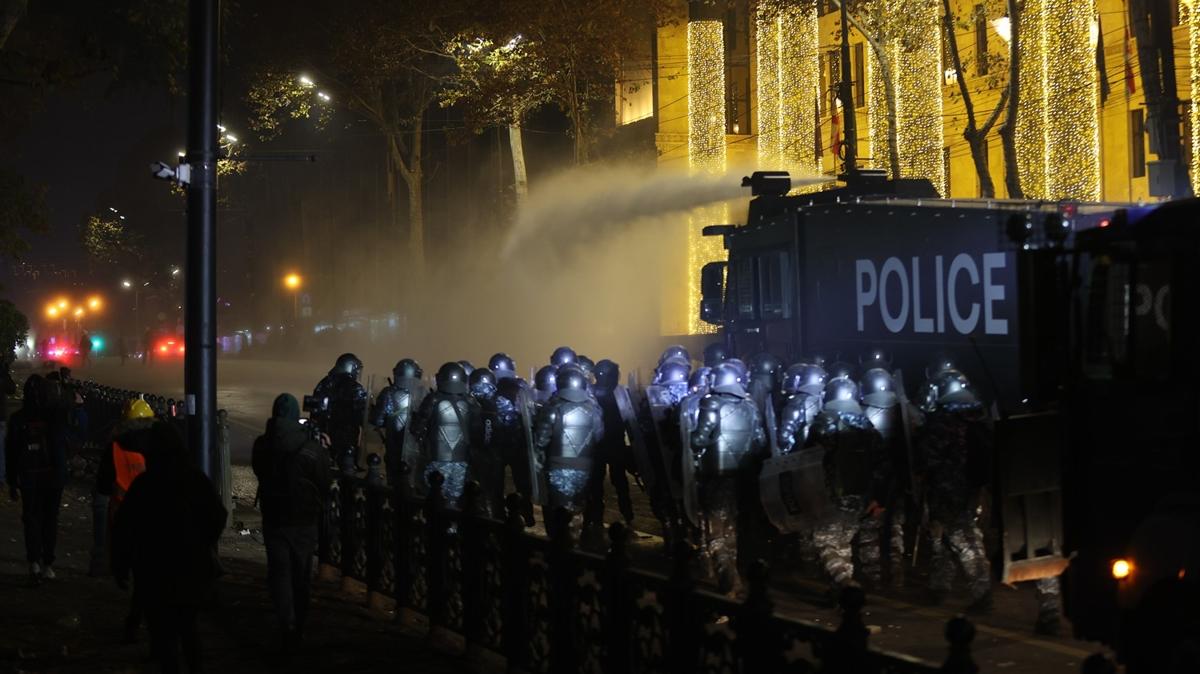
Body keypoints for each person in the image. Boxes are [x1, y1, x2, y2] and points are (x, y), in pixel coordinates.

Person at [113, 421, 226, 674]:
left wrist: (120, 565)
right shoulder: (195, 479)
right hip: (190, 568)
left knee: (164, 635)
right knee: (188, 629)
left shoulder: (145, 484)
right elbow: (217, 515)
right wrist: (202, 542)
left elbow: (124, 528)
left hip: (154, 571)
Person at [252, 393, 331, 652]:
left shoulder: (262, 444)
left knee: (280, 571)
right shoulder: (310, 448)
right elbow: (323, 480)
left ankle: (285, 621)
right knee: (301, 573)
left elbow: (259, 470)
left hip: (274, 516)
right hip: (304, 519)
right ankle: (299, 626)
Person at [914, 369, 993, 613]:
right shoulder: (977, 416)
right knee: (947, 538)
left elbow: (928, 458)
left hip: (947, 488)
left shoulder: (943, 421)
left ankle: (983, 593)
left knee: (964, 539)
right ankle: (939, 586)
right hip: (973, 487)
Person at [806, 376, 890, 594]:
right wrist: (878, 495)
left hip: (830, 493)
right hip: (859, 494)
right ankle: (842, 595)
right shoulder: (865, 423)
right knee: (843, 543)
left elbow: (809, 456)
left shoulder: (825, 421)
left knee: (824, 542)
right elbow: (882, 462)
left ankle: (844, 581)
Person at [689, 363, 766, 595]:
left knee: (716, 536)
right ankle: (734, 576)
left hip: (716, 478)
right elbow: (760, 442)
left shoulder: (711, 404)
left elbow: (699, 439)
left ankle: (730, 582)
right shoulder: (751, 406)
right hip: (743, 479)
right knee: (732, 531)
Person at [6, 375, 68, 582]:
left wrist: (12, 481)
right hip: (52, 476)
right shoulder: (55, 418)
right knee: (50, 519)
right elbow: (62, 447)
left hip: (29, 476)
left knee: (31, 518)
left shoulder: (18, 419)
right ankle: (48, 563)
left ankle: (33, 562)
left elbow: (11, 453)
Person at [532, 365, 604, 538]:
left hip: (557, 467)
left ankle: (559, 548)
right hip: (585, 468)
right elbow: (599, 436)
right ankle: (575, 546)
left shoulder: (552, 409)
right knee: (577, 511)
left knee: (557, 512)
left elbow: (541, 440)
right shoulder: (594, 410)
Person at [411, 362, 482, 509]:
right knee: (454, 497)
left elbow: (416, 427)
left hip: (436, 458)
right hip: (461, 459)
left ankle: (437, 526)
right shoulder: (471, 402)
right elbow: (477, 431)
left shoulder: (433, 399)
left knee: (435, 494)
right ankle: (452, 527)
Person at [584, 359, 636, 528]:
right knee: (600, 483)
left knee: (616, 482)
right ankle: (598, 516)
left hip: (613, 444)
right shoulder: (591, 393)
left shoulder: (620, 393)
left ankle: (625, 515)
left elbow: (629, 419)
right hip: (602, 445)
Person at [369, 359, 424, 489]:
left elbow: (377, 420)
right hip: (415, 446)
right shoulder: (422, 394)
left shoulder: (388, 393)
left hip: (393, 443)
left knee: (393, 483)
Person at [310, 353, 368, 473]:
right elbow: (363, 416)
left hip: (323, 437)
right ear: (350, 367)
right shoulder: (356, 388)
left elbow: (314, 408)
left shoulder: (324, 383)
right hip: (346, 440)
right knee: (347, 476)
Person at [468, 367, 508, 517]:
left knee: (476, 491)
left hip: (474, 454)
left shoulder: (468, 401)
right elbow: (512, 430)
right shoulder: (502, 403)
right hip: (495, 455)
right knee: (495, 492)